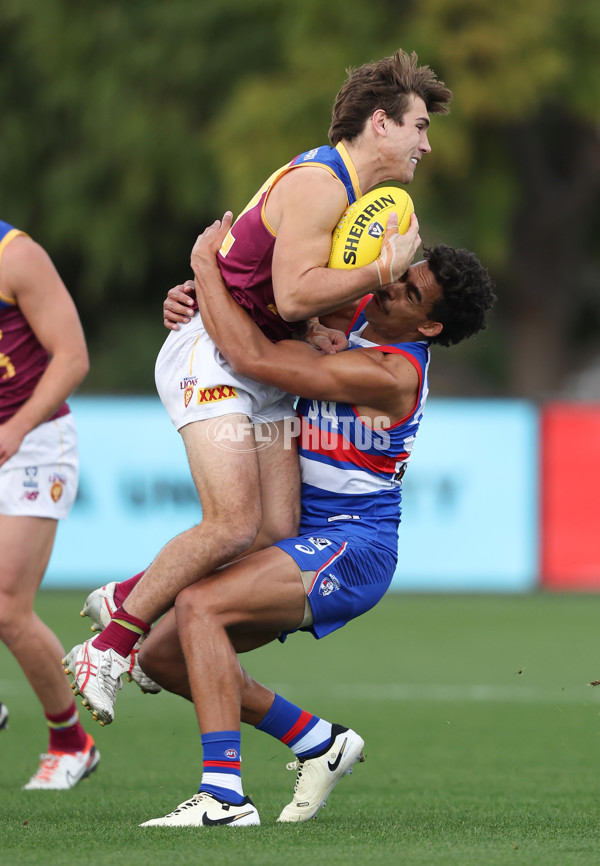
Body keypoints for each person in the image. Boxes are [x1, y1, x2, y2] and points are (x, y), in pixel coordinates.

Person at [63, 49, 453, 725]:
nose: (426, 141)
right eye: (418, 125)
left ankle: (126, 594)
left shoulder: (355, 199)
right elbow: (294, 293)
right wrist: (379, 271)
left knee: (275, 527)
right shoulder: (322, 186)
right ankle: (111, 645)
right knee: (234, 522)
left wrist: (315, 324)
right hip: (213, 355)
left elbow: (292, 301)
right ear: (381, 124)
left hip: (252, 360)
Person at [126, 213, 495, 826]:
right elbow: (259, 312)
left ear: (428, 326)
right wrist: (190, 306)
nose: (390, 284)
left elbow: (253, 357)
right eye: (402, 272)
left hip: (351, 548)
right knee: (164, 658)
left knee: (199, 609)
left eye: (409, 291)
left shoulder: (391, 372)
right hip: (303, 537)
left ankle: (223, 797)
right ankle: (317, 742)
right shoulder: (356, 317)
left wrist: (203, 266)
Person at [0, 220, 99, 789]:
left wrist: (14, 427)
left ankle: (71, 743)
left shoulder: (17, 257)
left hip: (34, 442)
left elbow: (72, 358)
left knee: (8, 605)